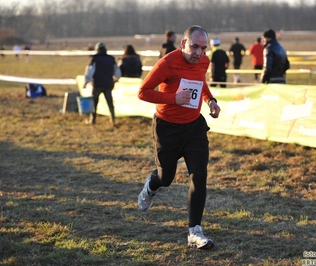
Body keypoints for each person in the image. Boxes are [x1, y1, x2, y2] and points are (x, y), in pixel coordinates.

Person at [137, 25, 221, 250]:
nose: (198, 53)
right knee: (166, 177)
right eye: (194, 47)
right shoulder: (167, 63)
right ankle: (151, 185)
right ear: (183, 43)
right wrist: (174, 98)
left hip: (194, 127)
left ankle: (195, 231)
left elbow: (201, 82)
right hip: (168, 128)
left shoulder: (203, 61)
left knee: (199, 174)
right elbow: (143, 92)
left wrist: (210, 100)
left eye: (203, 48)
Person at [84, 42, 121, 126]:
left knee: (94, 102)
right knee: (110, 102)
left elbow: (90, 70)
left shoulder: (94, 58)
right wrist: (116, 79)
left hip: (97, 84)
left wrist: (87, 80)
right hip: (108, 83)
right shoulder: (111, 59)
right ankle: (112, 119)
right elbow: (117, 71)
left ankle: (92, 120)